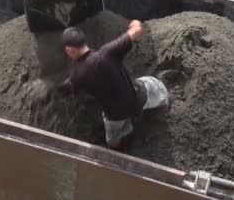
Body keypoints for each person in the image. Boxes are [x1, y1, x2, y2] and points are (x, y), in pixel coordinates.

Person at [60, 20, 169, 150]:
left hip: (116, 116)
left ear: (69, 49)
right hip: (137, 99)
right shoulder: (108, 52)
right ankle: (166, 106)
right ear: (84, 41)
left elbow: (66, 89)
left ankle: (118, 150)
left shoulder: (78, 75)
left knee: (112, 139)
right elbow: (137, 30)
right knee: (154, 85)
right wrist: (135, 23)